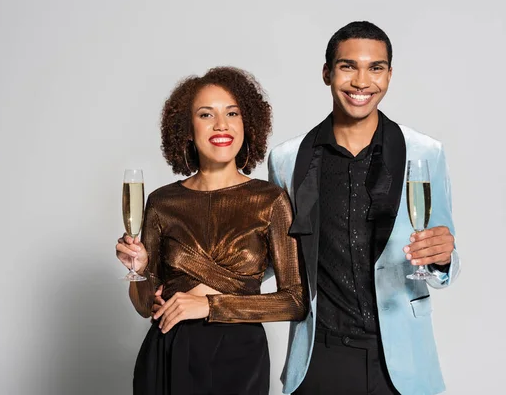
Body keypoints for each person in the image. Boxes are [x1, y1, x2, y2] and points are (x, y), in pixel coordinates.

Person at [268, 21, 461, 394]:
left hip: (402, 363)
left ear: (389, 74)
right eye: (347, 66)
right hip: (319, 357)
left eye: (375, 68)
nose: (361, 81)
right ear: (327, 73)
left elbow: (446, 256)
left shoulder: (425, 152)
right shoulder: (287, 160)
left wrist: (442, 259)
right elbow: (274, 257)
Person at [116, 66, 306, 395]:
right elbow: (147, 305)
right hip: (170, 351)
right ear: (188, 129)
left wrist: (210, 306)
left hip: (240, 356)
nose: (221, 125)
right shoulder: (162, 202)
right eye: (206, 114)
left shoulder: (270, 200)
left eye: (232, 113)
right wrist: (141, 269)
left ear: (247, 123)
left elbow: (295, 301)